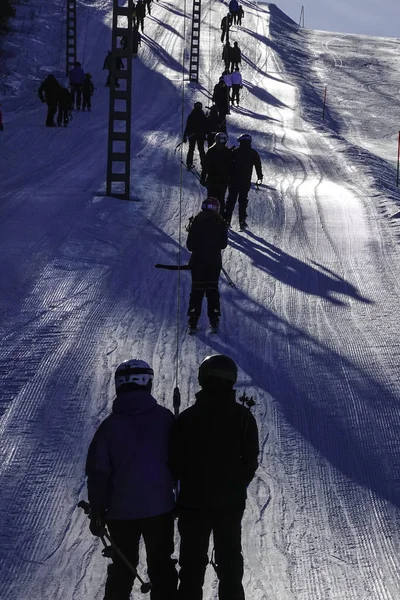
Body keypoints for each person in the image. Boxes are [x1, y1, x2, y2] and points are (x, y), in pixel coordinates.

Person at [85, 359, 178, 600]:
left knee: (123, 568)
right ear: (148, 383)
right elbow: (179, 459)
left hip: (120, 512)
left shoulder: (108, 427)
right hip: (160, 508)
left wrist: (97, 510)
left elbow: (97, 473)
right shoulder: (165, 418)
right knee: (161, 564)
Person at [169, 354, 259, 600]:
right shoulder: (243, 418)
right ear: (231, 380)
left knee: (191, 568)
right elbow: (250, 461)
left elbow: (174, 464)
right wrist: (237, 485)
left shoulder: (186, 418)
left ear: (202, 379)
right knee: (230, 566)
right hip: (229, 504)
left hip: (192, 503)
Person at [185, 197, 227, 332]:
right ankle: (214, 320)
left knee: (196, 290)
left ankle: (193, 319)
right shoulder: (219, 222)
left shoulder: (196, 221)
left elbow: (190, 246)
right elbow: (223, 244)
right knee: (212, 290)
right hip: (213, 263)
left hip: (197, 262)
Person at [224, 133, 263, 230]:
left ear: (240, 142)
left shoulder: (235, 152)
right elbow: (258, 166)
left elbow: (227, 164)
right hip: (245, 181)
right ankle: (242, 221)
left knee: (231, 201)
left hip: (233, 180)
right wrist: (259, 177)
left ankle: (227, 220)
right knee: (243, 201)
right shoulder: (253, 153)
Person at [200, 132, 233, 215]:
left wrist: (203, 178)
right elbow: (231, 167)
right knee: (220, 199)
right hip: (220, 180)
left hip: (214, 180)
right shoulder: (227, 152)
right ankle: (219, 218)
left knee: (212, 199)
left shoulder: (211, 151)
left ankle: (211, 217)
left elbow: (205, 166)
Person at [183, 101, 207, 169]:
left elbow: (187, 126)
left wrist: (185, 135)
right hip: (200, 135)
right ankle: (204, 164)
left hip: (192, 135)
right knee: (201, 149)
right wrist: (205, 135)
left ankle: (189, 163)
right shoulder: (202, 115)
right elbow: (206, 125)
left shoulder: (191, 115)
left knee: (191, 149)